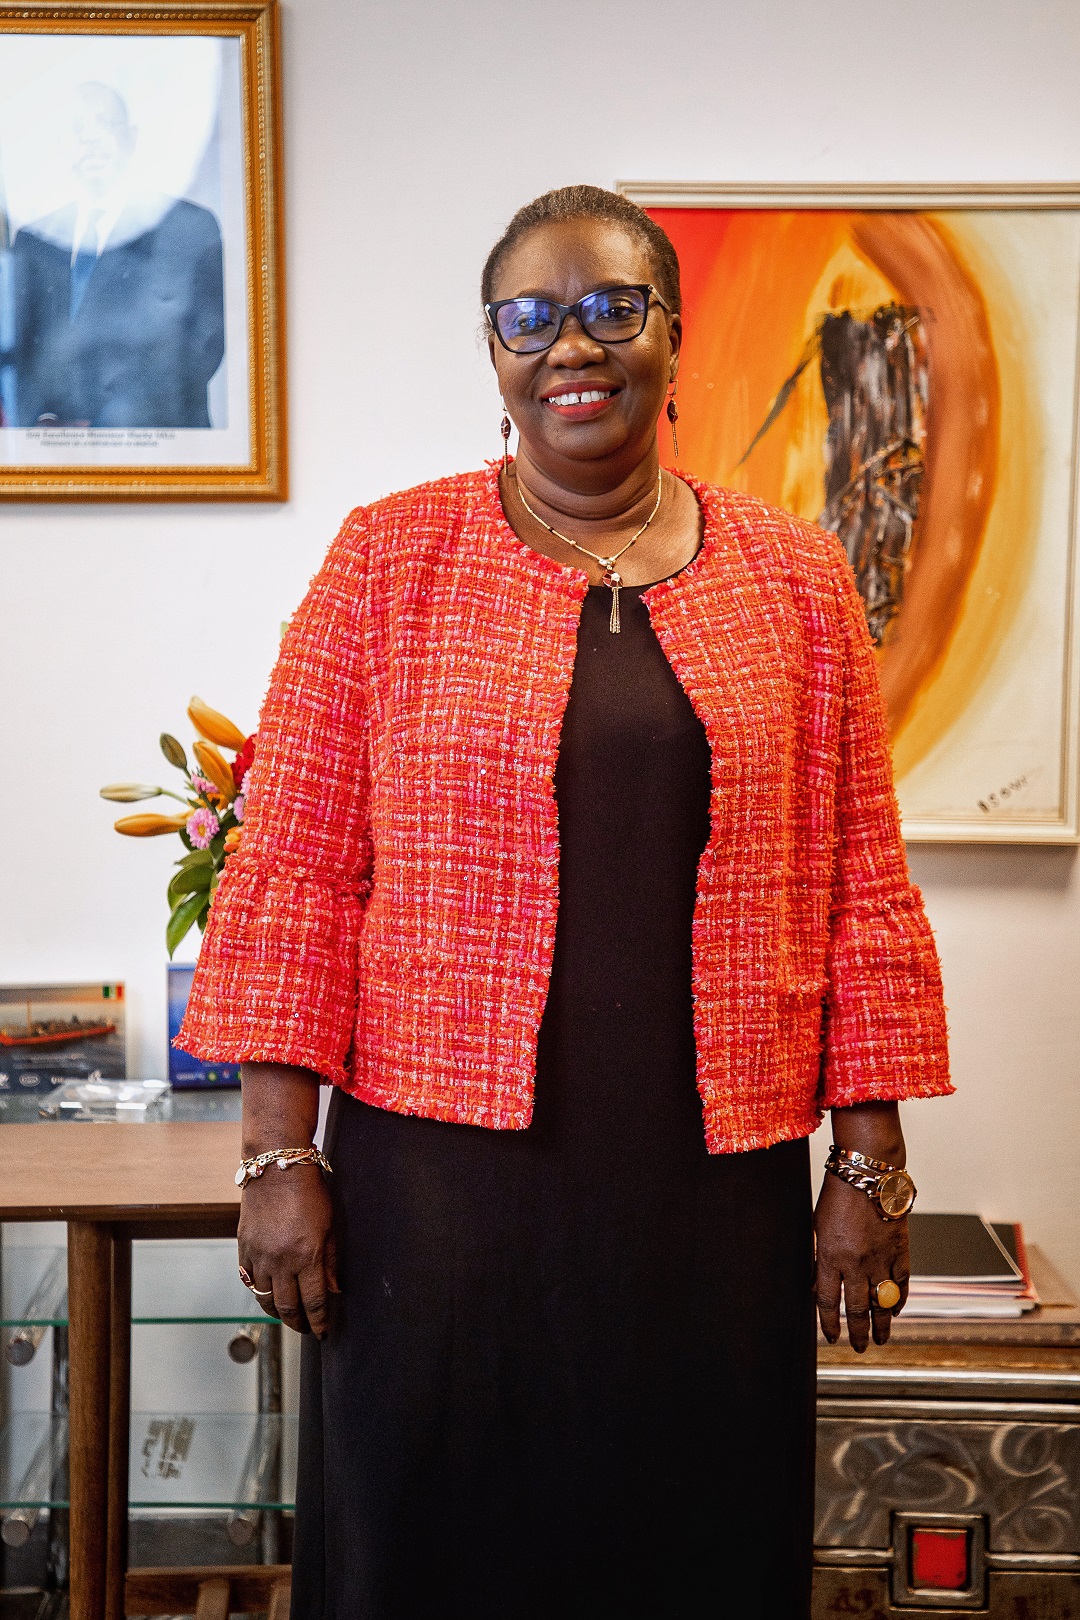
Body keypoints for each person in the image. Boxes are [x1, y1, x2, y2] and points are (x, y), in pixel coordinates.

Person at [180, 185, 951, 1619]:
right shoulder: (388, 561)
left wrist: (868, 1165)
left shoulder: (796, 578)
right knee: (435, 1546)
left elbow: (863, 881)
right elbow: (292, 869)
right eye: (527, 318)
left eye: (611, 307)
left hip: (707, 1186)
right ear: (493, 354)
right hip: (440, 1199)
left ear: (673, 334)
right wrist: (277, 1156)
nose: (570, 346)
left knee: (691, 1544)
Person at [11, 82, 224, 428]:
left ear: (131, 138)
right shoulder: (35, 241)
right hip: (57, 447)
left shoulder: (189, 227)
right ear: (63, 146)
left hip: (159, 440)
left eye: (104, 124)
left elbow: (206, 344)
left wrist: (110, 424)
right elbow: (24, 352)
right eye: (78, 130)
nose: (91, 140)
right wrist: (48, 424)